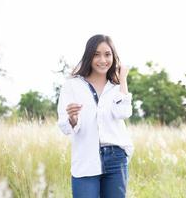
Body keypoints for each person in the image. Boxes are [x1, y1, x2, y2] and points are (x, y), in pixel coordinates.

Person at [57, 34, 134, 198]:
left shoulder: (116, 87)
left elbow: (123, 113)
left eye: (107, 54)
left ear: (114, 56)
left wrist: (123, 79)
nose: (103, 60)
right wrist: (73, 119)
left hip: (116, 158)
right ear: (89, 56)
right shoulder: (72, 85)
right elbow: (65, 126)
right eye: (96, 54)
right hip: (86, 158)